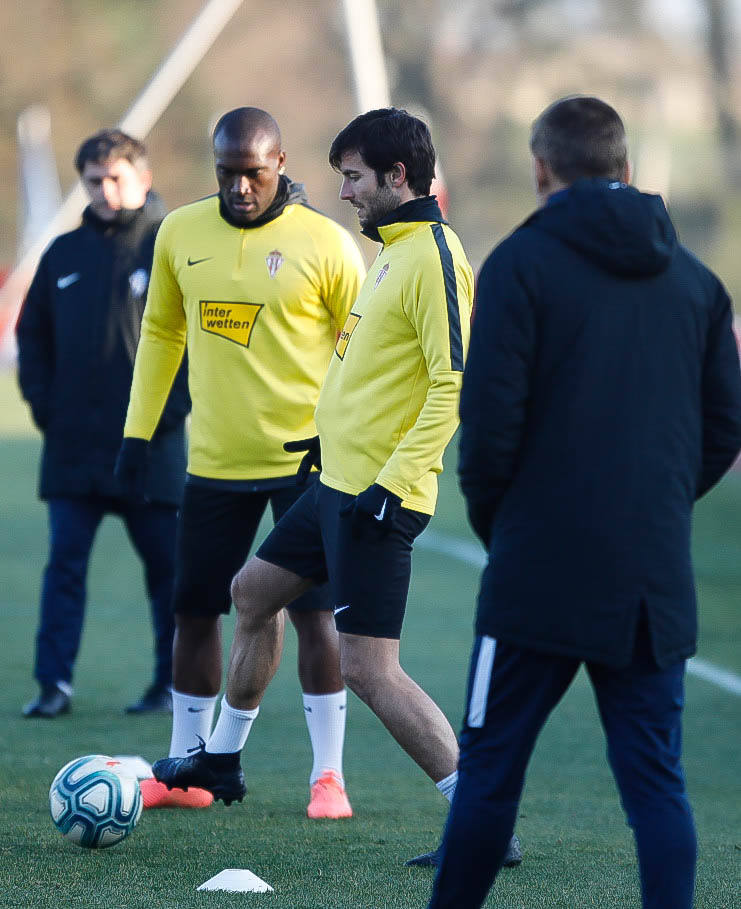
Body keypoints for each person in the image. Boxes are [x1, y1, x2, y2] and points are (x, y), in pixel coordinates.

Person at [149, 107, 518, 865]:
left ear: (396, 177)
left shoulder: (436, 257)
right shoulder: (389, 248)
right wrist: (330, 432)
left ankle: (482, 824)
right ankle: (221, 757)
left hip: (377, 499)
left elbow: (455, 385)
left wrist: (395, 479)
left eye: (352, 177)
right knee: (250, 593)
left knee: (368, 669)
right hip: (333, 485)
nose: (341, 191)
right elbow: (371, 368)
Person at [427, 95, 741, 909]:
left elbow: (487, 430)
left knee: (490, 768)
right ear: (626, 168)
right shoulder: (698, 284)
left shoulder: (518, 265)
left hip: (537, 567)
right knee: (655, 786)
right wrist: (660, 504)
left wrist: (508, 525)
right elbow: (723, 428)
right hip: (649, 573)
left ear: (541, 169)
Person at [116, 107, 366, 815]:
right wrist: (138, 433)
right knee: (194, 611)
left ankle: (328, 777)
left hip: (307, 467)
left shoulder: (326, 243)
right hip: (214, 463)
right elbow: (162, 330)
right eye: (226, 174)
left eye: (253, 173)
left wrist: (343, 437)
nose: (239, 188)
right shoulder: (178, 233)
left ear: (280, 162)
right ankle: (187, 770)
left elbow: (360, 350)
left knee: (318, 617)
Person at [17, 129, 189, 719]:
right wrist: (46, 406)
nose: (105, 189)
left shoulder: (173, 247)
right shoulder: (62, 254)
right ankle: (53, 685)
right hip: (74, 450)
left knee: (169, 577)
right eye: (94, 180)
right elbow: (31, 336)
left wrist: (163, 419)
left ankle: (171, 687)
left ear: (143, 177)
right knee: (63, 570)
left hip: (151, 451)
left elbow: (197, 345)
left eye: (116, 177)